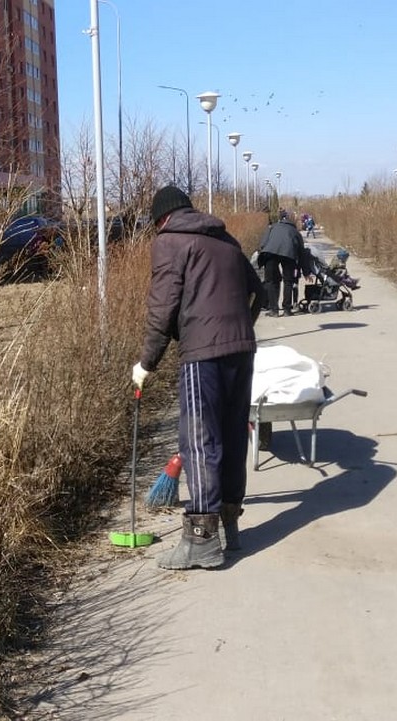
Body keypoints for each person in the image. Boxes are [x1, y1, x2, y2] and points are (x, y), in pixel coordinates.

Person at [132, 186, 265, 569]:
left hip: (202, 355)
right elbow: (260, 295)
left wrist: (146, 363)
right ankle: (230, 527)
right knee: (232, 433)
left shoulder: (170, 242)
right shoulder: (225, 239)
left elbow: (162, 307)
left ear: (161, 218)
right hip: (241, 351)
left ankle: (201, 541)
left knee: (200, 441)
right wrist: (239, 328)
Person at [256, 210, 306, 316]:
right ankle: (287, 310)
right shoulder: (295, 231)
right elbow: (302, 252)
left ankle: (274, 310)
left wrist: (261, 256)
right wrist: (306, 271)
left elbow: (263, 244)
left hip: (270, 254)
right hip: (289, 255)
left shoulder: (272, 227)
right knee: (288, 281)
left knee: (270, 281)